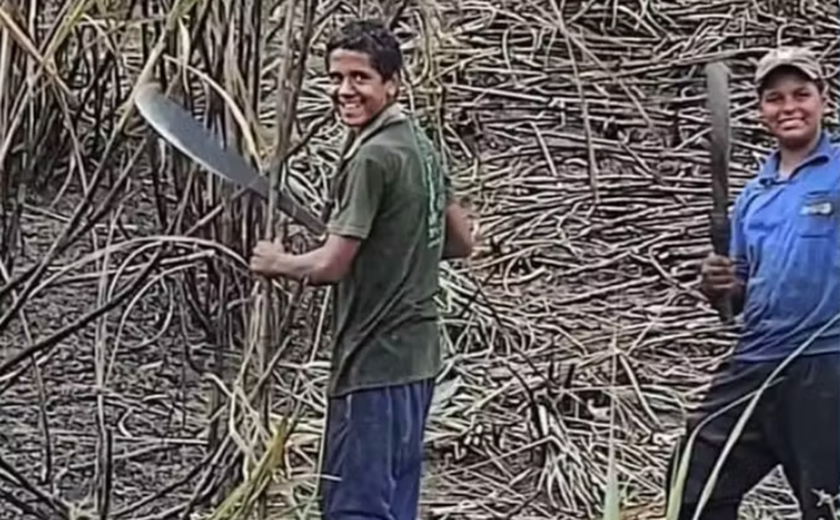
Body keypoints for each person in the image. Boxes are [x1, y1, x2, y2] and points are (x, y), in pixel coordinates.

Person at [249, 18, 474, 520]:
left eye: (359, 78)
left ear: (391, 83)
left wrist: (276, 262)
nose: (344, 91)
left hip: (373, 362)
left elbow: (330, 265)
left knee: (356, 507)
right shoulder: (419, 145)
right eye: (335, 78)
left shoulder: (371, 157)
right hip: (418, 361)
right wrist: (393, 245)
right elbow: (461, 242)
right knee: (395, 501)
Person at [667, 46, 840, 520]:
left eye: (801, 94)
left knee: (827, 505)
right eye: (775, 98)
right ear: (761, 110)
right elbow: (736, 297)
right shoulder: (752, 196)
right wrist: (717, 284)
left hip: (825, 364)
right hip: (756, 359)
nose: (789, 108)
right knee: (693, 488)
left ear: (823, 99)